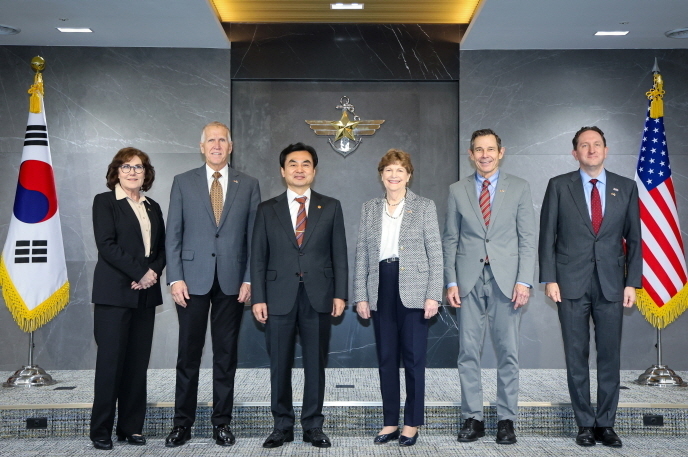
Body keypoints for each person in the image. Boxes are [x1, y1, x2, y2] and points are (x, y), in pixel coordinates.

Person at [539, 126, 641, 448]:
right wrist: (549, 278)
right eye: (584, 145)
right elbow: (547, 236)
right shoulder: (558, 186)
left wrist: (632, 283)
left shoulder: (626, 187)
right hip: (569, 283)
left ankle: (606, 424)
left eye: (597, 144)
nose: (591, 149)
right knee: (576, 356)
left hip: (612, 284)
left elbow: (635, 239)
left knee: (610, 356)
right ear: (575, 153)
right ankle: (584, 423)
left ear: (606, 150)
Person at [164, 121, 260, 447]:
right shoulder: (183, 182)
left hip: (233, 282)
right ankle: (182, 424)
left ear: (230, 147)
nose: (217, 145)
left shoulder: (249, 184)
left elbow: (253, 238)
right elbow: (173, 234)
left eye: (222, 140)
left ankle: (222, 423)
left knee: (225, 356)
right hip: (191, 282)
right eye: (211, 140)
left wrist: (249, 278)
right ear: (202, 147)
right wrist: (175, 277)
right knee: (188, 356)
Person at [251, 142, 348, 449]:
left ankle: (313, 425)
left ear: (314, 171)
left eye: (306, 164)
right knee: (279, 364)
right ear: (283, 171)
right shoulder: (267, 209)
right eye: (292, 163)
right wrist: (258, 297)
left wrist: (340, 294)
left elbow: (339, 254)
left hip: (318, 295)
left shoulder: (330, 206)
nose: (299, 169)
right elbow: (258, 257)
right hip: (278, 296)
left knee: (315, 364)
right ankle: (282, 425)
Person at [442, 129, 536, 445]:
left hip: (506, 282)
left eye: (491, 149)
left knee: (508, 352)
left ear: (501, 152)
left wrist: (524, 280)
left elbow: (527, 239)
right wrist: (451, 280)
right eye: (479, 150)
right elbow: (450, 239)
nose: (485, 155)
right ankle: (473, 418)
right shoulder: (457, 190)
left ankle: (506, 420)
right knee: (468, 352)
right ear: (471, 154)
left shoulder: (519, 187)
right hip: (468, 281)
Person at [353, 149, 442, 446]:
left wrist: (433, 295)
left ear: (408, 175)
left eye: (399, 170)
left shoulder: (424, 206)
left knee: (414, 360)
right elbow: (362, 255)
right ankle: (390, 422)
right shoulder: (369, 208)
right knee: (387, 359)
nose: (394, 175)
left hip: (415, 289)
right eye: (388, 170)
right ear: (381, 175)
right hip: (381, 286)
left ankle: (411, 423)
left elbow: (436, 254)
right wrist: (361, 295)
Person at [90, 147, 166, 450]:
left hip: (145, 296)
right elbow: (106, 245)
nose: (133, 172)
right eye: (126, 167)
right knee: (110, 364)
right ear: (116, 172)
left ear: (146, 173)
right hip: (114, 294)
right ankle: (101, 430)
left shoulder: (153, 206)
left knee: (137, 365)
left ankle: (131, 428)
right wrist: (140, 272)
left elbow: (162, 249)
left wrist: (152, 272)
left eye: (139, 167)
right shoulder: (105, 202)